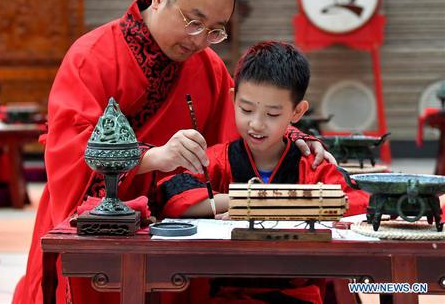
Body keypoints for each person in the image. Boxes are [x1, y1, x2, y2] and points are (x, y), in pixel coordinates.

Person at [13, 0, 334, 304]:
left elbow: (239, 130)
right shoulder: (93, 56)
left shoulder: (208, 67)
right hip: (105, 225)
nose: (198, 40)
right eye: (193, 22)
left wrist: (290, 134)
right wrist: (151, 158)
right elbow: (68, 152)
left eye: (214, 31)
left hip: (179, 228)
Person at [157, 41, 369, 304]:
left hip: (298, 294)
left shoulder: (310, 164)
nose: (256, 124)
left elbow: (355, 203)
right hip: (225, 294)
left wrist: (257, 204)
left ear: (297, 112)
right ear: (232, 98)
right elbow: (172, 196)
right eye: (246, 110)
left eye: (272, 113)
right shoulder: (219, 159)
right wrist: (243, 202)